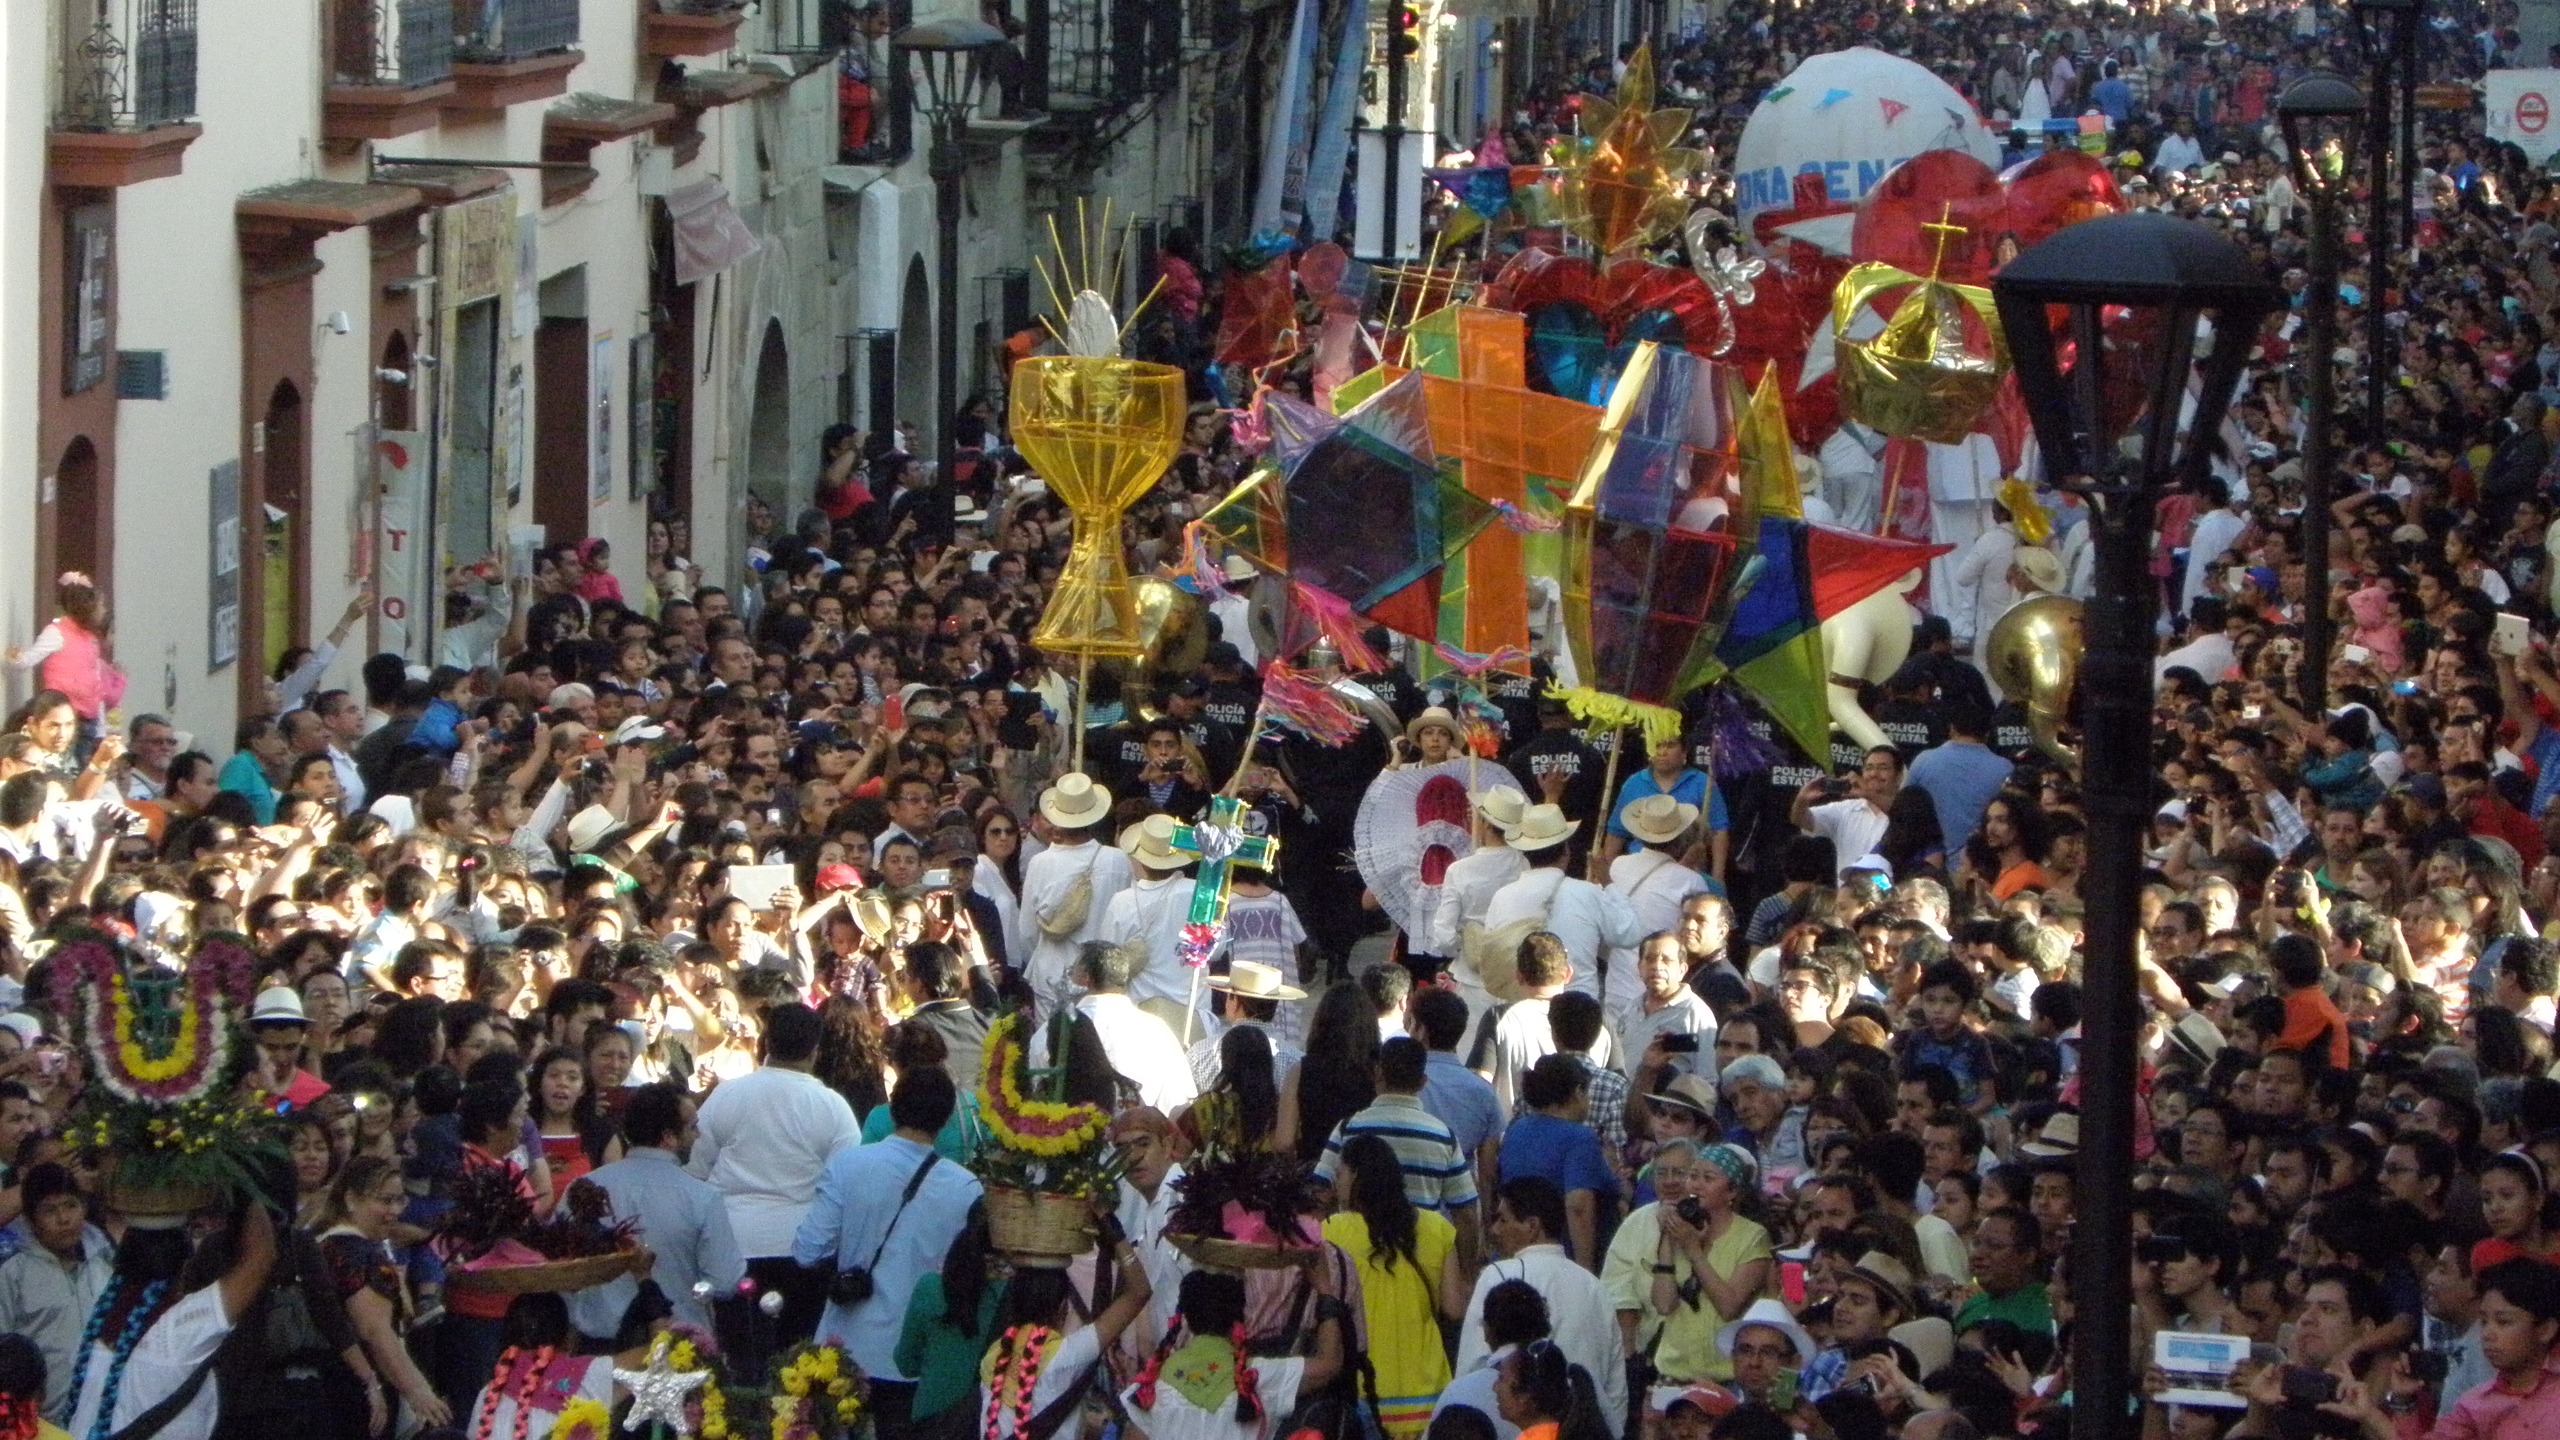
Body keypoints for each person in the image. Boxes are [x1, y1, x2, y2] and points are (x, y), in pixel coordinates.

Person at [795, 1065, 983, 1435]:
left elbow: (807, 1250)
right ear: (945, 1120)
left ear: (892, 1108)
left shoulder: (849, 1164)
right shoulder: (966, 1188)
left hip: (841, 1349)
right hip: (913, 1358)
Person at [688, 1002, 862, 1376]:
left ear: (765, 1042)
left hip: (732, 1244)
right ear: (816, 1051)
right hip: (802, 1251)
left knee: (738, 1361)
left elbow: (695, 1167)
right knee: (795, 1368)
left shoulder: (726, 1095)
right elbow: (846, 1186)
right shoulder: (833, 1107)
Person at [65, 1189, 278, 1440]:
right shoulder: (175, 1332)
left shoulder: (94, 1328)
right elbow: (260, 1259)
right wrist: (244, 1185)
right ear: (186, 1267)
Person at [568, 1083, 744, 1344]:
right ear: (668, 1137)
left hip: (597, 1345)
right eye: (693, 1127)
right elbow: (724, 1280)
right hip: (678, 1346)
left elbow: (557, 1269)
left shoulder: (582, 1188)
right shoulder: (701, 1198)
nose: (698, 1136)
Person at [1455, 1178, 1628, 1429]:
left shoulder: (1499, 1275)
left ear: (1532, 1226)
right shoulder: (1595, 1287)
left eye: (1503, 1220)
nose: (1494, 1230)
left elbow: (1471, 1367)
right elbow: (1615, 1391)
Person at [1322, 1134, 1462, 1438]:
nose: (1337, 1180)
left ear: (1356, 1176)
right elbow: (1453, 1308)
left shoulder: (1333, 1231)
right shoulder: (1438, 1228)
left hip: (1364, 1398)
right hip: (1429, 1396)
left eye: (1341, 1172)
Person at [1601, 1140, 1772, 1385]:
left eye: (1708, 1178)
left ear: (1731, 1191)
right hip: (1673, 1373)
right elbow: (1664, 1304)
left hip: (1724, 1377)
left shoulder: (1752, 1236)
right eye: (1693, 1177)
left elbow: (1728, 1306)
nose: (1696, 1185)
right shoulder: (1681, 1232)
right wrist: (1668, 1242)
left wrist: (1693, 1250)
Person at [1120, 1270, 1340, 1440]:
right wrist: (1325, 1290)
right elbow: (1328, 1365)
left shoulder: (1150, 1388)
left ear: (1185, 1318)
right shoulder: (1259, 1376)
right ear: (1239, 1319)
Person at [0, 1165, 112, 1421]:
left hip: (103, 1414)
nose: (64, 1219)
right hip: (40, 1422)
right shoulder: (13, 1273)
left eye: (70, 1205)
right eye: (50, 1210)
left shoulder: (105, 1259)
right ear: (30, 1220)